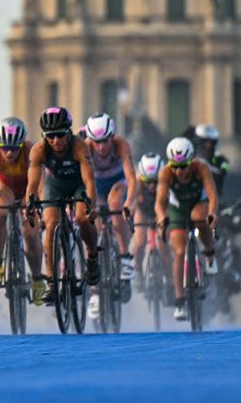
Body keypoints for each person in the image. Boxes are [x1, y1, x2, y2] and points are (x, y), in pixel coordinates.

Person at [24, 107, 100, 305]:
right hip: (55, 185)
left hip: (78, 185)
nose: (55, 141)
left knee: (83, 219)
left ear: (69, 133)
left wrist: (92, 203)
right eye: (50, 136)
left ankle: (92, 257)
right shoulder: (39, 150)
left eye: (60, 135)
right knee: (50, 226)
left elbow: (90, 181)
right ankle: (51, 282)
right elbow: (32, 183)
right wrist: (30, 204)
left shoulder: (79, 147)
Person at [0, 117, 45, 304]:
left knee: (31, 233)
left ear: (22, 144)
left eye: (14, 148)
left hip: (27, 186)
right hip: (5, 185)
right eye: (5, 148)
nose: (9, 152)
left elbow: (39, 183)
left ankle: (38, 278)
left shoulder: (32, 150)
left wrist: (37, 203)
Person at [156, 137, 219, 321]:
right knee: (179, 252)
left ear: (191, 161)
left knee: (200, 218)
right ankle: (180, 301)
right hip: (178, 208)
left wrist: (213, 213)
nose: (179, 171)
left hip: (198, 203)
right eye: (175, 166)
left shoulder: (201, 168)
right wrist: (161, 218)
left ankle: (209, 253)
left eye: (183, 166)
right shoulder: (166, 173)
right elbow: (160, 203)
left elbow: (213, 196)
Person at [82, 113, 137, 286]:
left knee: (115, 205)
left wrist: (128, 203)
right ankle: (93, 287)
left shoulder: (121, 145)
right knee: (91, 223)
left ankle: (124, 256)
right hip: (96, 183)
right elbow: (81, 180)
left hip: (117, 181)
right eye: (96, 142)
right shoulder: (85, 148)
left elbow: (131, 178)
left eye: (105, 141)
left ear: (111, 137)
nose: (101, 147)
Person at [129, 153, 169, 288]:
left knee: (164, 243)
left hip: (161, 211)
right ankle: (138, 270)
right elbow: (131, 201)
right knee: (140, 241)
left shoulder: (167, 180)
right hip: (143, 211)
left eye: (155, 181)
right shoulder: (137, 181)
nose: (152, 186)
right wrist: (130, 212)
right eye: (148, 181)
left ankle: (168, 275)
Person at [186, 124, 230, 200]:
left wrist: (221, 168)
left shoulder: (218, 157)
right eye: (206, 142)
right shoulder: (191, 155)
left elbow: (224, 166)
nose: (208, 145)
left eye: (211, 142)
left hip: (212, 197)